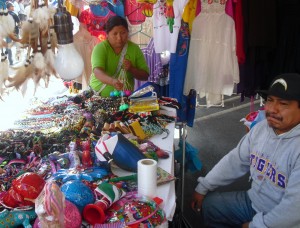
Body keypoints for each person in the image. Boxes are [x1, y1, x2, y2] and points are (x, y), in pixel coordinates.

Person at [191, 73, 300, 227]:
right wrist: (203, 186)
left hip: (286, 220)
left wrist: (256, 225)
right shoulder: (261, 129)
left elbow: (294, 209)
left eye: (283, 103)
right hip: (253, 201)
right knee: (211, 206)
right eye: (269, 100)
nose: (272, 109)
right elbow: (234, 161)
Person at [89, 15, 149, 97]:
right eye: (115, 34)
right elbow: (97, 72)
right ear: (107, 34)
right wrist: (112, 81)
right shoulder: (100, 48)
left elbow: (145, 75)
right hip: (99, 97)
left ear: (128, 32)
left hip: (124, 99)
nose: (119, 38)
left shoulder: (134, 49)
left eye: (123, 33)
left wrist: (131, 69)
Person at [5, 1, 20, 65]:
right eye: (12, 6)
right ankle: (18, 58)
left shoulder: (4, 14)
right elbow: (19, 23)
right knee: (18, 45)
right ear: (9, 8)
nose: (13, 7)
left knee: (8, 47)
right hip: (15, 32)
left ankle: (11, 61)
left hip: (8, 32)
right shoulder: (14, 14)